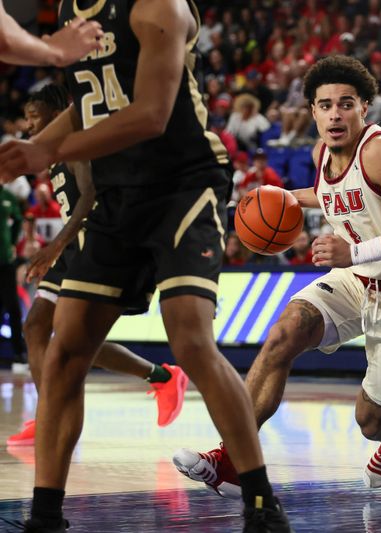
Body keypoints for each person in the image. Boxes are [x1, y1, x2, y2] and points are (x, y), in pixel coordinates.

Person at [0, 1, 287, 531]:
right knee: (64, 352)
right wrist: (36, 145)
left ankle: (262, 501)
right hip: (117, 195)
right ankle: (45, 516)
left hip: (183, 184)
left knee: (191, 341)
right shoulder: (69, 7)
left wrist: (51, 151)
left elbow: (153, 113)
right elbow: (92, 98)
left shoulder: (158, 4)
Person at [173, 55, 381, 498]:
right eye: (325, 105)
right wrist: (270, 199)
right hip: (357, 281)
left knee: (371, 422)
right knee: (285, 332)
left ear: (365, 107)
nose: (335, 114)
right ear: (312, 111)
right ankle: (233, 460)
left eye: (346, 104)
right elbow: (329, 193)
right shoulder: (323, 153)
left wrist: (353, 250)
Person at [6, 85, 189, 448]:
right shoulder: (53, 152)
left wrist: (54, 245)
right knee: (35, 327)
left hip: (95, 244)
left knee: (72, 340)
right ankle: (49, 417)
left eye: (34, 117)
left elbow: (89, 197)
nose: (28, 126)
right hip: (72, 246)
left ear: (59, 113)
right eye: (26, 118)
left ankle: (161, 377)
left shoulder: (78, 141)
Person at [0, 0, 102, 67]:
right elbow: (5, 40)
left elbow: (7, 28)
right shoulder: (66, 6)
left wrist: (46, 47)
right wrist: (56, 50)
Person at [0, 177, 24, 369]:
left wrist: (13, 243)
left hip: (6, 261)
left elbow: (18, 220)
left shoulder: (8, 196)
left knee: (13, 308)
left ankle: (19, 353)